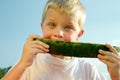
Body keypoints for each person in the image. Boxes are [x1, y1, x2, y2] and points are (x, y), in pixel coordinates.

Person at [1, 0, 120, 80]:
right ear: (42, 27)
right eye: (52, 25)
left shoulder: (88, 70)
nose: (58, 34)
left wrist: (116, 76)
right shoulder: (30, 63)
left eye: (68, 27)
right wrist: (23, 64)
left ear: (79, 34)